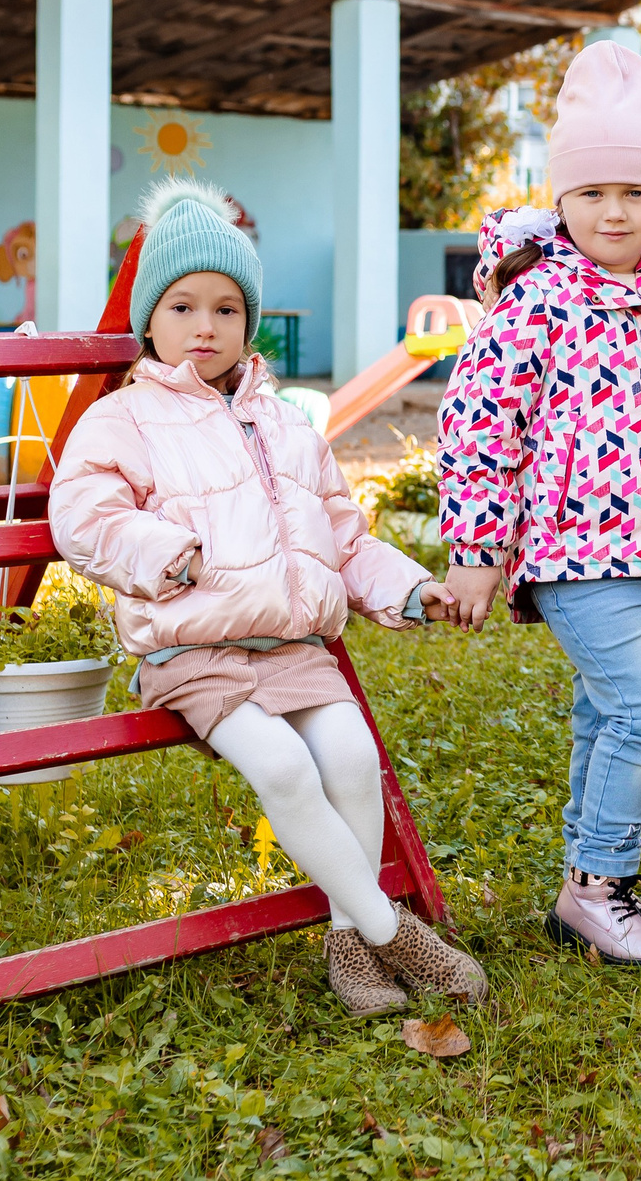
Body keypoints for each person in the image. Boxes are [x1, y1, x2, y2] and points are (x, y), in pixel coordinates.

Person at [51, 178, 486, 1018]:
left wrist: (412, 585)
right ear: (149, 320)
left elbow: (344, 537)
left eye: (224, 308)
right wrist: (160, 551)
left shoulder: (286, 421)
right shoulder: (123, 419)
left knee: (355, 760)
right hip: (193, 648)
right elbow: (82, 514)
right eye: (181, 307)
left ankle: (350, 949)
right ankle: (392, 931)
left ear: (249, 320)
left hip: (290, 646)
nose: (203, 327)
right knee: (285, 766)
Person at [438, 40, 641, 966]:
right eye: (593, 192)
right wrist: (477, 549)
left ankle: (578, 899)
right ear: (559, 198)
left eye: (636, 193)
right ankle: (603, 880)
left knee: (608, 715)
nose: (614, 210)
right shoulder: (539, 299)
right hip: (575, 551)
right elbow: (479, 422)